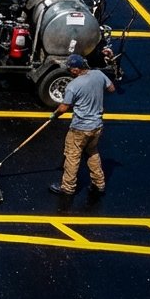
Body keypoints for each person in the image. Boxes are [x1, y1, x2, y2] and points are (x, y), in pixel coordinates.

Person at [50, 53, 115, 197]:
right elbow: (111, 88)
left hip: (80, 128)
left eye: (70, 69)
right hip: (97, 126)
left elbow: (63, 107)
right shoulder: (98, 74)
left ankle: (68, 187)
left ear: (75, 69)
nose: (69, 71)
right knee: (92, 152)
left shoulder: (73, 86)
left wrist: (54, 115)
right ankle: (99, 184)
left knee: (72, 156)